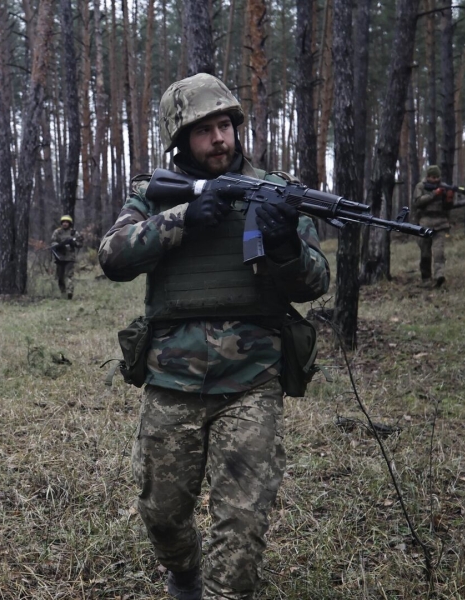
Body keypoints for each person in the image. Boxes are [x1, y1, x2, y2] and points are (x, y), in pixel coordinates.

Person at [99, 73, 330, 600]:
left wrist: (284, 247)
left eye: (225, 125)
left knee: (242, 524)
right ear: (180, 139)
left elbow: (317, 280)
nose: (219, 138)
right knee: (162, 513)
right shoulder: (157, 195)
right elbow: (112, 257)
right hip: (170, 379)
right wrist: (182, 219)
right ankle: (183, 573)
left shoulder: (274, 192)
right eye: (204, 130)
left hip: (253, 382)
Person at [412, 165, 453, 287]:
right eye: (433, 177)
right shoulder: (421, 186)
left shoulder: (444, 187)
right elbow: (418, 202)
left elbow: (447, 207)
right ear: (428, 177)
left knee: (439, 252)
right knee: (425, 253)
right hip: (425, 223)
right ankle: (426, 278)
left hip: (441, 223)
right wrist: (434, 194)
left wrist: (449, 198)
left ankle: (439, 275)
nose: (435, 180)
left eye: (437, 177)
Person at [50, 215, 80, 299]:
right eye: (64, 222)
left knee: (69, 275)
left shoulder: (73, 233)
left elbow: (80, 243)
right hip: (59, 257)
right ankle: (63, 292)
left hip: (70, 257)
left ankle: (70, 292)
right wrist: (59, 246)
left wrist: (74, 243)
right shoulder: (57, 232)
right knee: (60, 276)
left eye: (67, 222)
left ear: (69, 223)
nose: (65, 224)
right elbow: (52, 242)